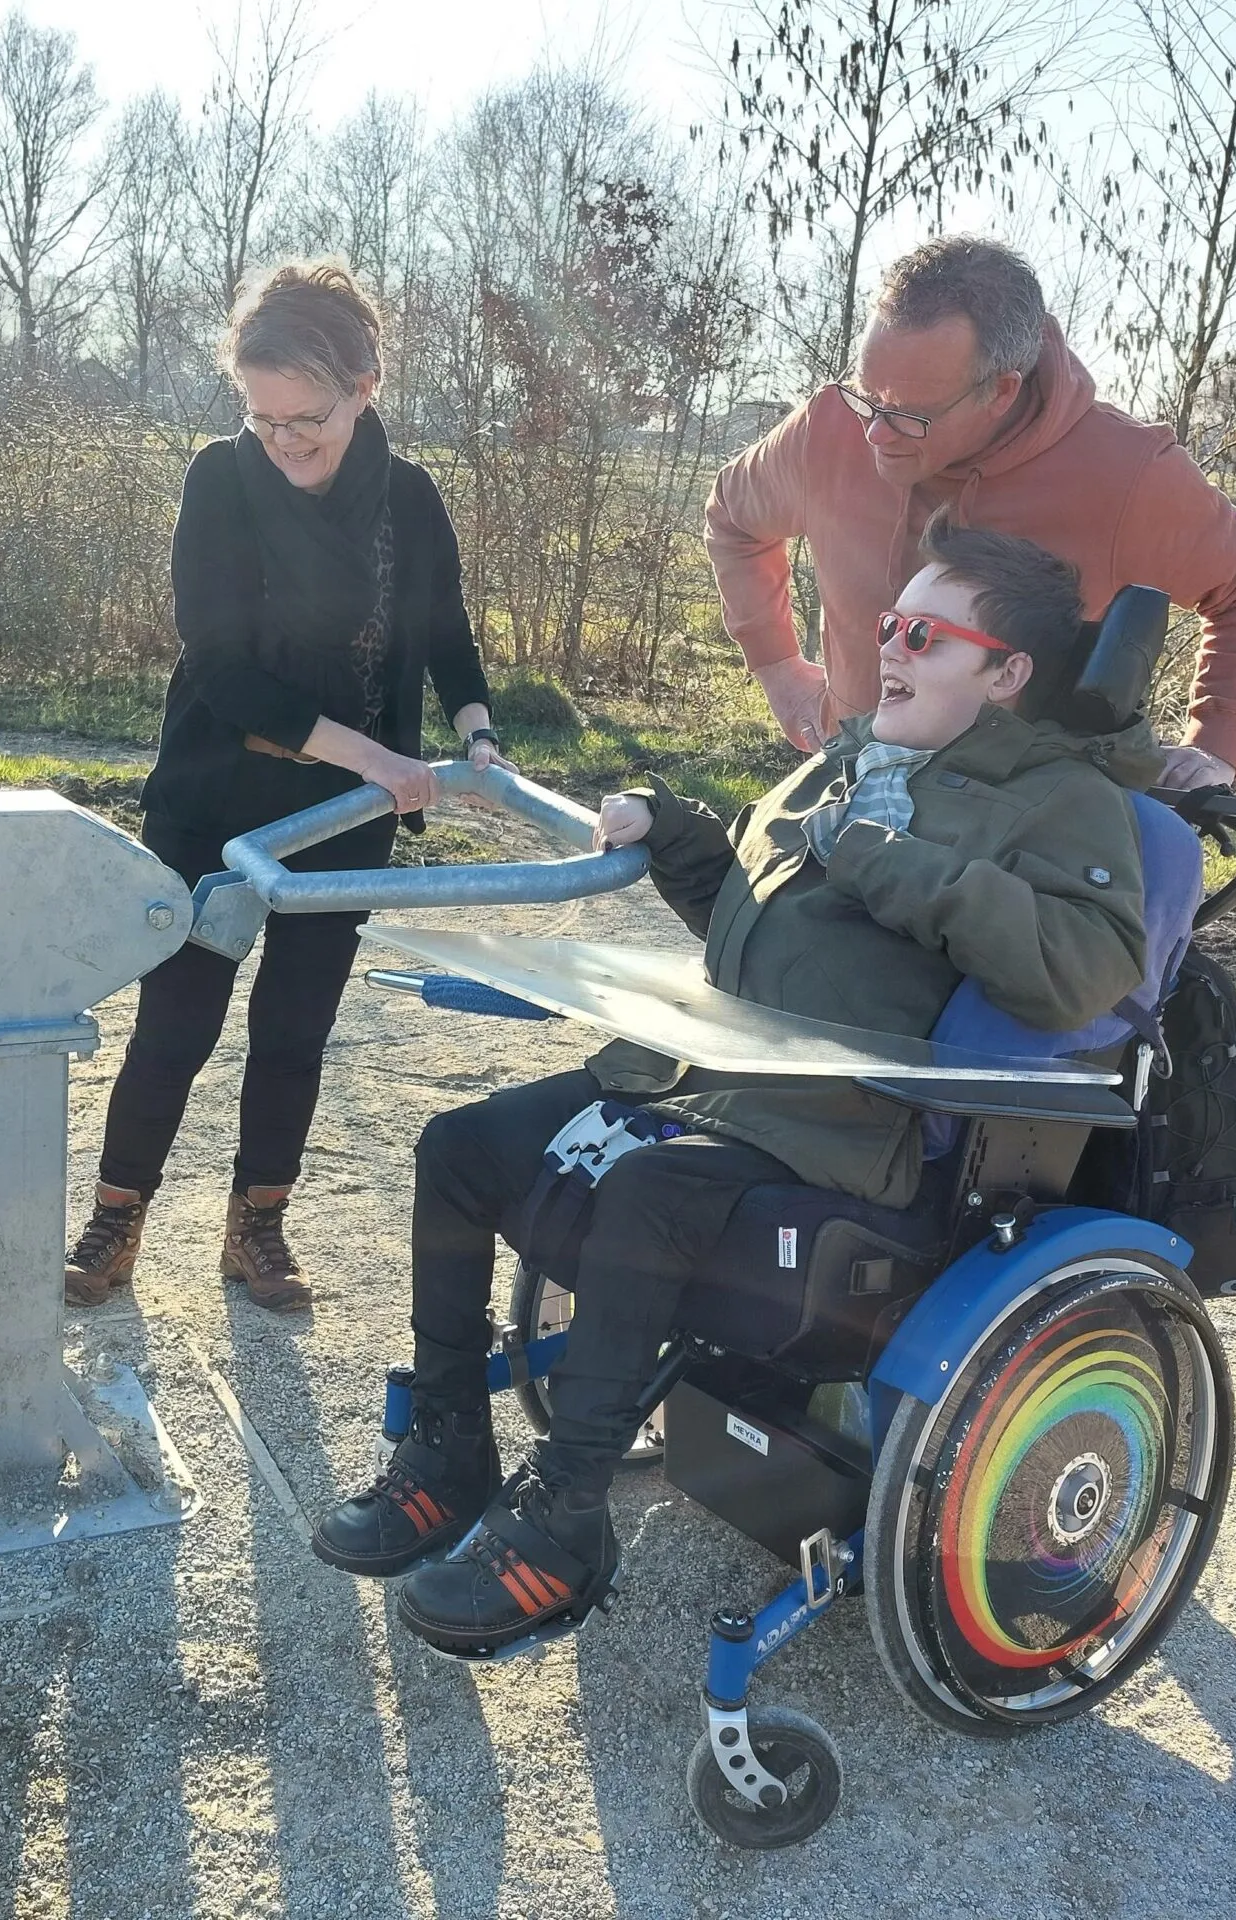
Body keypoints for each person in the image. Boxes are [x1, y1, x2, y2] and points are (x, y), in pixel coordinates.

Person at [313, 513, 1163, 1656]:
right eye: (885, 625)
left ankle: (564, 1521)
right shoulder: (856, 757)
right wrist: (682, 841)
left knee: (649, 1202)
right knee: (461, 1150)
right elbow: (756, 935)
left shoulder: (1061, 803)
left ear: (1005, 673)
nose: (891, 648)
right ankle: (451, 1445)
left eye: (924, 633)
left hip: (844, 1129)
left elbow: (1078, 973)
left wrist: (879, 856)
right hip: (713, 1081)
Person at [63, 260, 503, 1315]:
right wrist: (376, 760)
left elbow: (441, 627)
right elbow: (218, 665)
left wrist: (477, 732)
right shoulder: (222, 480)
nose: (285, 440)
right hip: (217, 802)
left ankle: (256, 1226)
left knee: (295, 1025)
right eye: (262, 418)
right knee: (176, 1017)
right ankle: (116, 1217)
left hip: (346, 820)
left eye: (305, 417)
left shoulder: (408, 495)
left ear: (364, 386)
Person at [708, 235, 1236, 790]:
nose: (875, 435)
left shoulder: (1126, 473)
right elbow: (734, 519)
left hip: (1020, 826)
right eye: (867, 396)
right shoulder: (829, 428)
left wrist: (1218, 742)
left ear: (1002, 391)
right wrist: (778, 666)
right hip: (849, 784)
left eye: (911, 415)